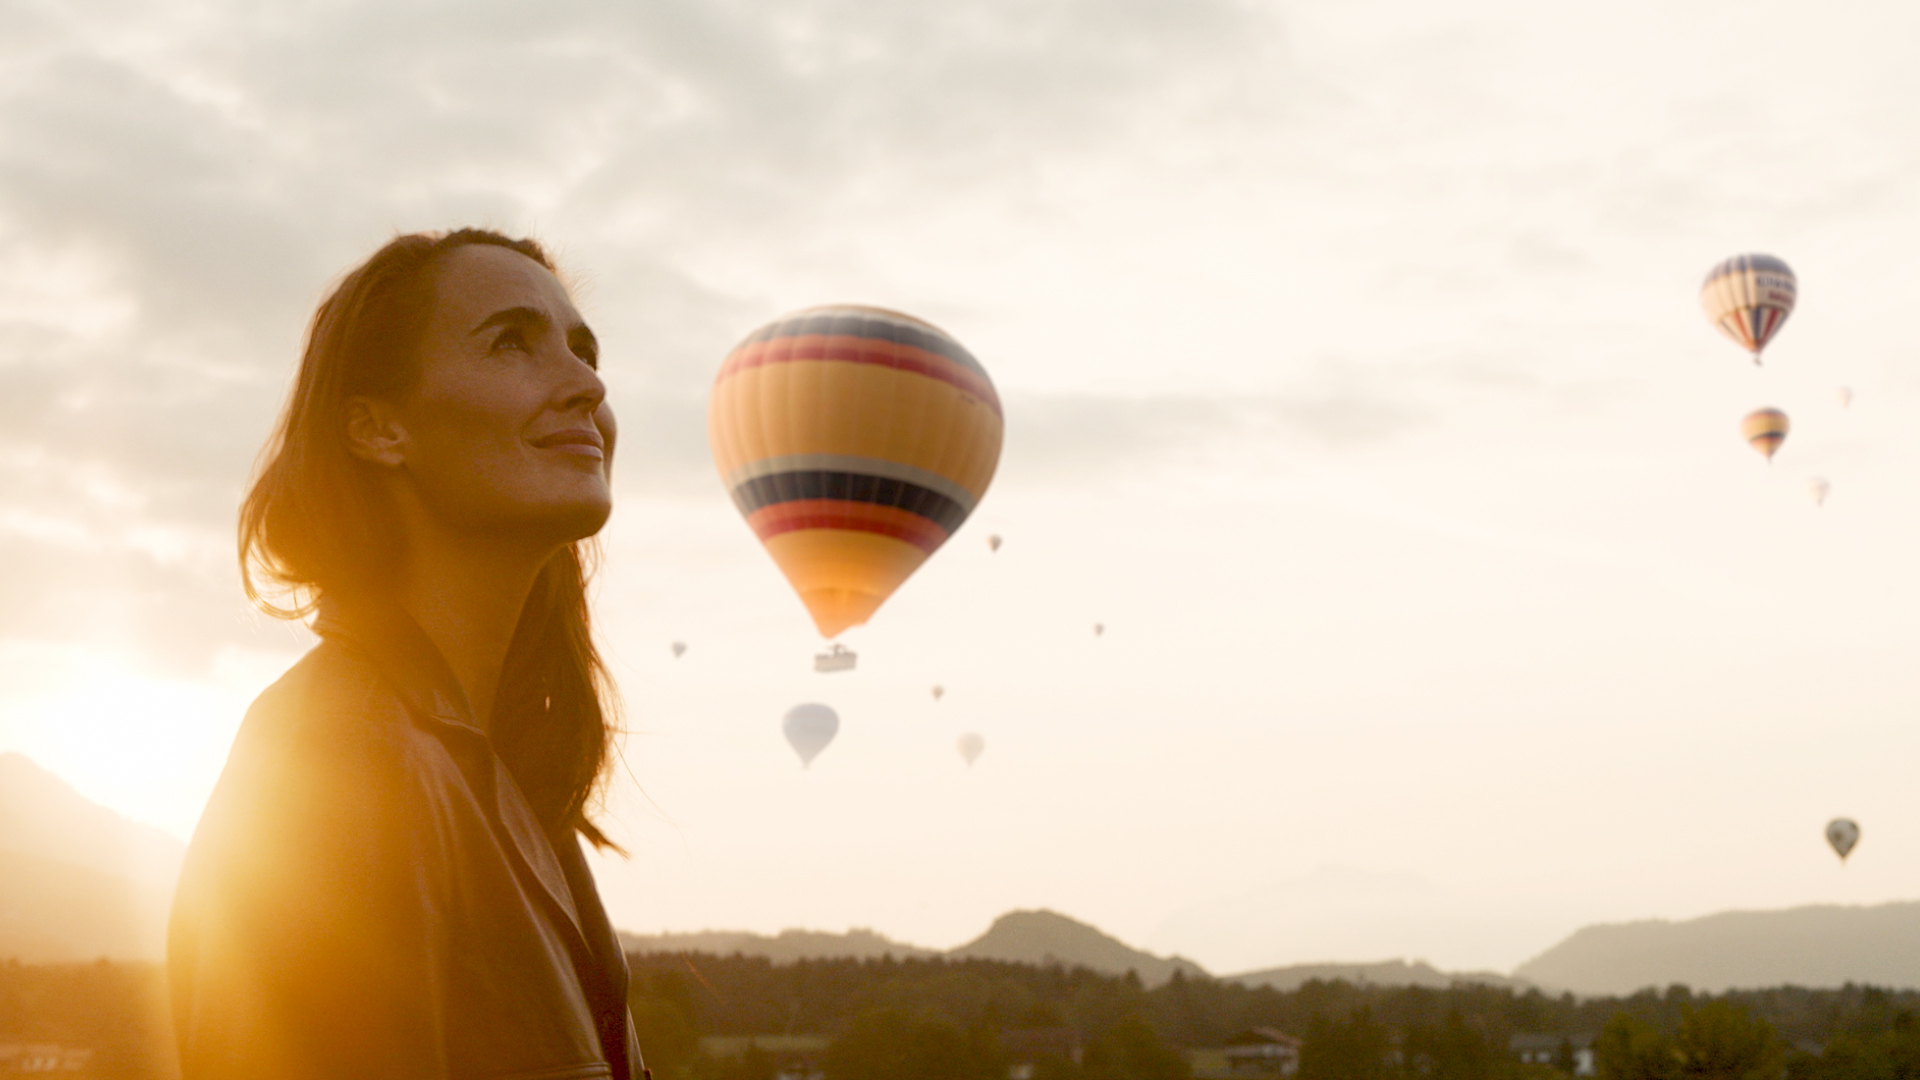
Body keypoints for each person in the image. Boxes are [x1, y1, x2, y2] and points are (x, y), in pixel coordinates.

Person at [168, 229, 647, 1080]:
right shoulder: (337, 759)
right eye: (512, 342)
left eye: (584, 349)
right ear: (378, 428)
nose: (588, 385)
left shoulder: (505, 786)